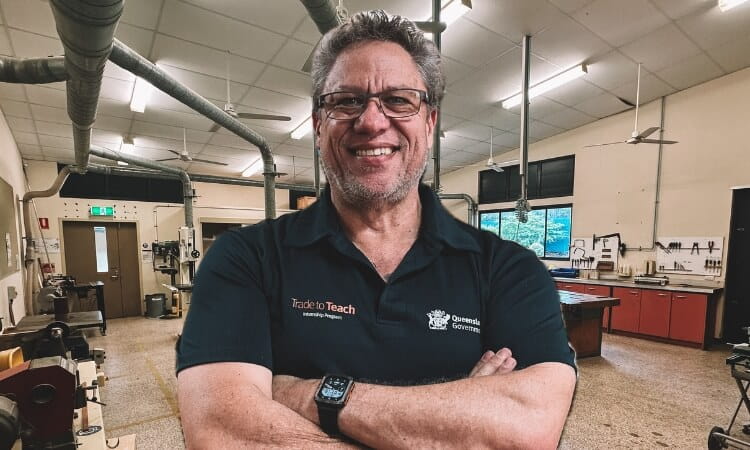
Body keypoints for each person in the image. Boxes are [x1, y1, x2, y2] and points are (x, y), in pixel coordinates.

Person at [176, 10, 576, 449]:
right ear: (317, 124)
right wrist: (458, 415)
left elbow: (527, 429)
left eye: (399, 99)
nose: (371, 121)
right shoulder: (245, 259)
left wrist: (308, 394)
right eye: (346, 100)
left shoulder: (510, 271)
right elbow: (224, 430)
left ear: (429, 122)